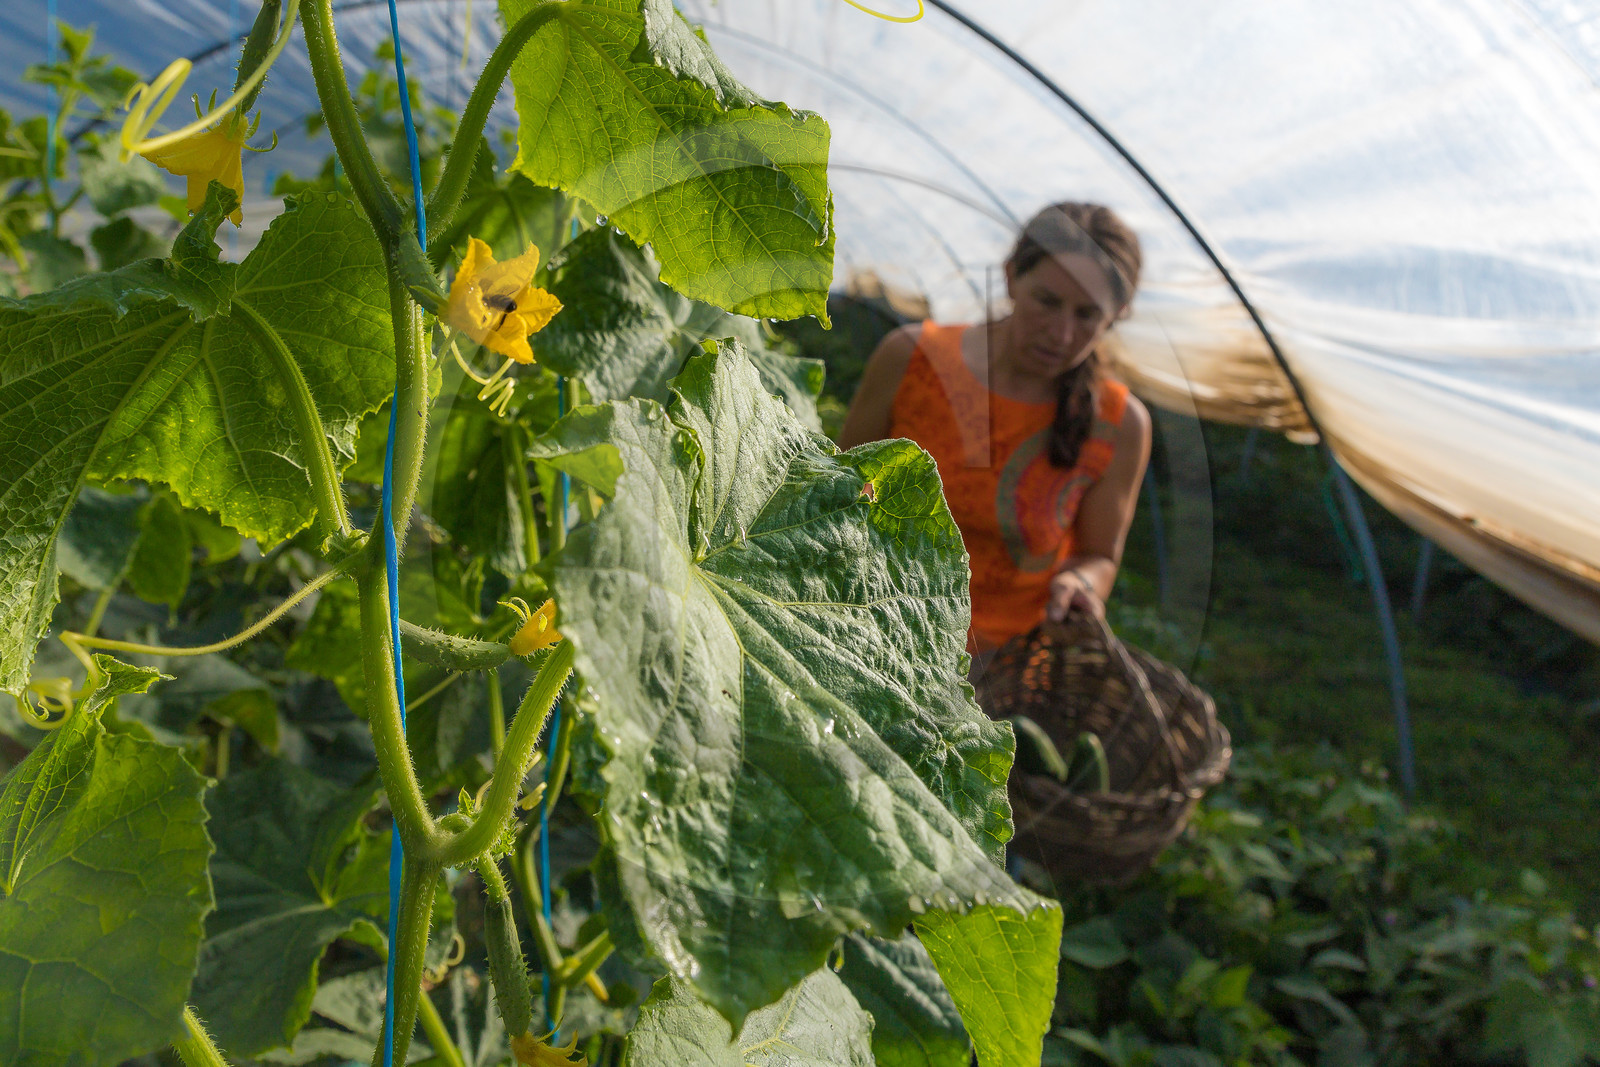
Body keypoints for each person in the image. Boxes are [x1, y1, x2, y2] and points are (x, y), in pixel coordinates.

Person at [838, 202, 1152, 656]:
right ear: (1010, 278)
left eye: (1086, 315)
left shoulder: (1119, 425)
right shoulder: (911, 358)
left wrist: (1079, 583)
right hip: (868, 629)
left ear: (1116, 314)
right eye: (1047, 302)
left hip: (1004, 670)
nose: (1061, 334)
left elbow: (1098, 557)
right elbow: (835, 495)